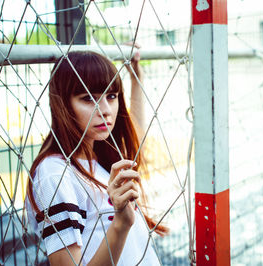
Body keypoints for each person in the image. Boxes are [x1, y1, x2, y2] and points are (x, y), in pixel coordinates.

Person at [25, 50, 168, 266]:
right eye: (88, 99)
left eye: (111, 96)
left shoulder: (100, 157)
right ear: (63, 104)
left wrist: (136, 78)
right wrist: (120, 223)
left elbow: (136, 139)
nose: (105, 110)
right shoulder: (54, 174)